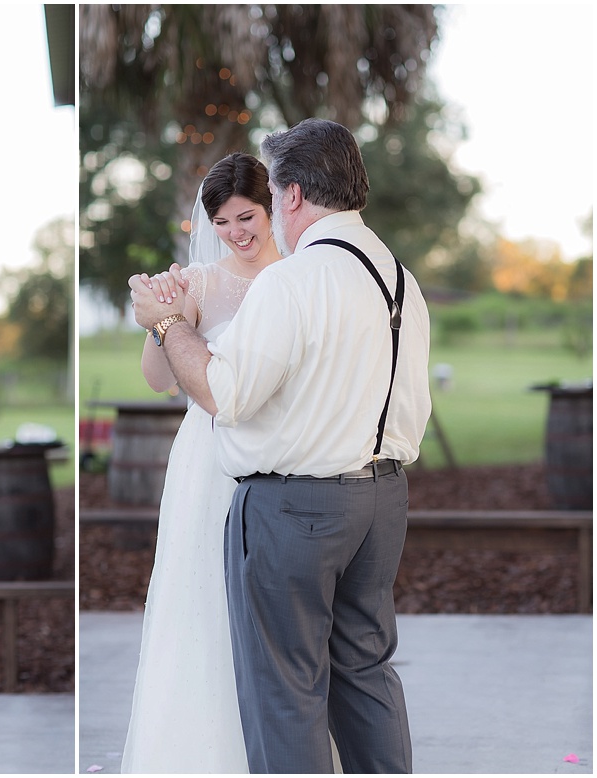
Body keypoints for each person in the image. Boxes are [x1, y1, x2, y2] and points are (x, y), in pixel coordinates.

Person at [129, 118, 431, 773]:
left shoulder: (290, 282)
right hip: (381, 499)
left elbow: (222, 392)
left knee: (286, 692)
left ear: (289, 196)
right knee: (365, 674)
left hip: (298, 510)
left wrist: (166, 322)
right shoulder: (398, 278)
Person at [120, 152, 281, 773]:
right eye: (222, 222)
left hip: (277, 449)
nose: (237, 232)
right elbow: (160, 379)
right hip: (208, 457)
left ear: (271, 209)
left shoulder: (299, 276)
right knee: (203, 599)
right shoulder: (202, 283)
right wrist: (161, 317)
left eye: (247, 216)